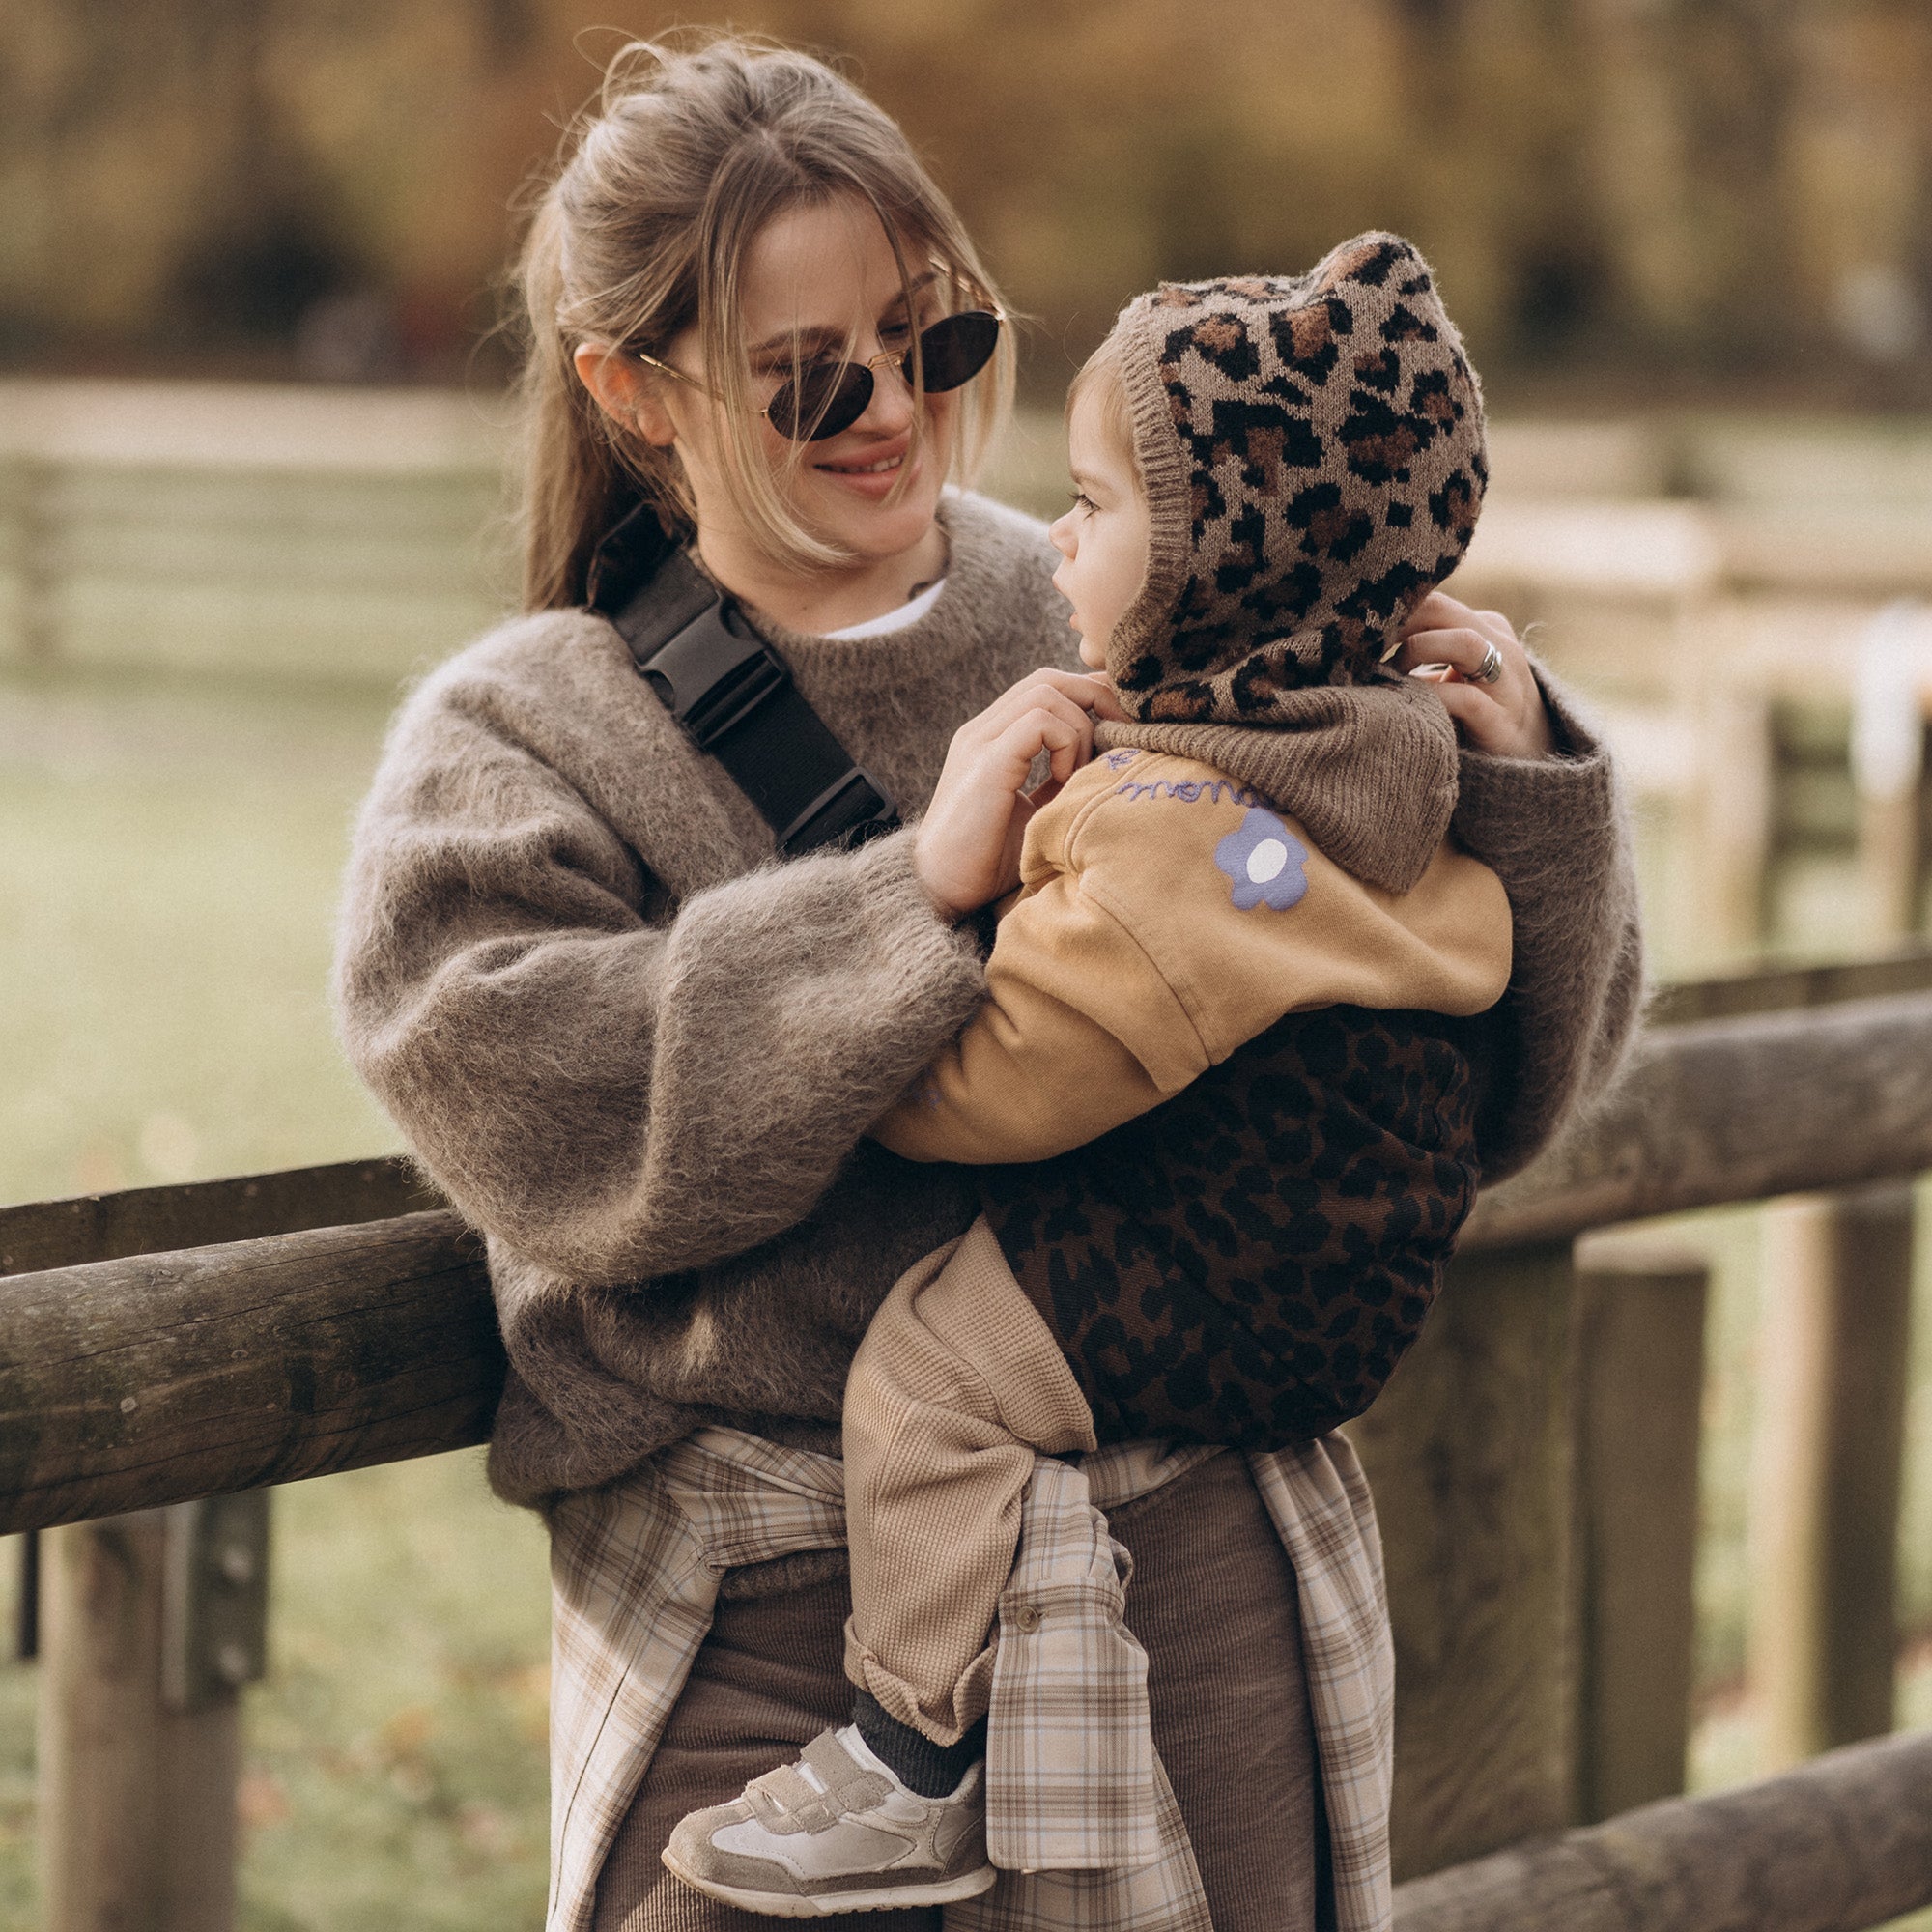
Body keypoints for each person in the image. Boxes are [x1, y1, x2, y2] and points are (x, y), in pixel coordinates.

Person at [332, 35, 1642, 1932]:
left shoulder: (1139, 601)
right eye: (809, 379)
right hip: (770, 1637)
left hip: (1202, 1592)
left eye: (931, 342)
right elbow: (546, 1120)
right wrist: (911, 897)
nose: (892, 413)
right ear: (631, 391)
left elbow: (1491, 1103)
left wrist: (1520, 788)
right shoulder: (518, 742)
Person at [661, 236, 1523, 1918]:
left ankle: (912, 1754)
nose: (1057, 535)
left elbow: (1010, 1079)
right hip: (1336, 1266)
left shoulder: (1175, 825)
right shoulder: (1369, 745)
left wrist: (901, 1005)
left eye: (1097, 503)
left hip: (1218, 1263)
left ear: (1222, 564)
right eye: (809, 366)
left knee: (932, 1375)